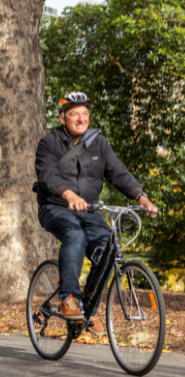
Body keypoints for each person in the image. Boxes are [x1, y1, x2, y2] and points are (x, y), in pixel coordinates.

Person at [34, 92, 157, 336]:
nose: (81, 118)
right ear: (62, 117)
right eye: (74, 114)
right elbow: (47, 175)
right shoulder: (49, 143)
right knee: (75, 236)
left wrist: (141, 197)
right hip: (55, 207)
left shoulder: (98, 142)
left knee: (109, 247)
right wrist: (69, 195)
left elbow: (118, 172)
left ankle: (88, 307)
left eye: (85, 114)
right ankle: (68, 298)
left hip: (89, 209)